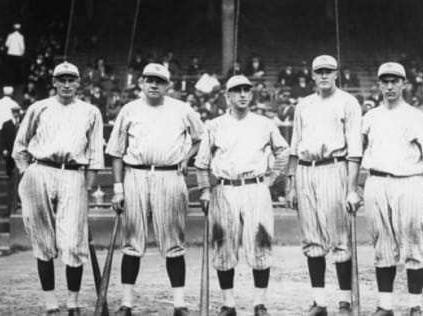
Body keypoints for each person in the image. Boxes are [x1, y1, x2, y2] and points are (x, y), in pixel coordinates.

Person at [105, 63, 205, 316]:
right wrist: (118, 189)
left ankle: (179, 304)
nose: (153, 85)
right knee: (132, 243)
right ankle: (126, 304)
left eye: (159, 81)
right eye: (149, 80)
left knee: (173, 242)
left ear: (167, 85)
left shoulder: (181, 109)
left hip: (170, 176)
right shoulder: (129, 110)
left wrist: (186, 158)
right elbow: (116, 151)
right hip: (135, 175)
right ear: (141, 82)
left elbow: (202, 137)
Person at [12, 61, 105, 316]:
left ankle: (73, 302)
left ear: (78, 83)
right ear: (53, 82)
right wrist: (27, 173)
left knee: (74, 241)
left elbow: (96, 154)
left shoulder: (90, 112)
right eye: (61, 80)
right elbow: (20, 146)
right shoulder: (38, 107)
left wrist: (87, 186)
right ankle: (50, 301)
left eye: (71, 80)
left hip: (73, 173)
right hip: (40, 169)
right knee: (42, 238)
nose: (66, 85)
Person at [361, 62, 423, 316]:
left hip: (409, 183)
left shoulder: (416, 117)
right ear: (378, 84)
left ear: (404, 84)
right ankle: (385, 306)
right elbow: (357, 154)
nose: (389, 86)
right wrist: (354, 187)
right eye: (385, 81)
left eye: (395, 81)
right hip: (376, 183)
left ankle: (414, 306)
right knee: (382, 246)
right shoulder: (369, 117)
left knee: (414, 244)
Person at [195, 74, 290, 316]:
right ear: (227, 96)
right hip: (224, 190)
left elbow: (283, 150)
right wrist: (205, 189)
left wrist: (271, 178)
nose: (243, 94)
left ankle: (260, 303)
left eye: (247, 90)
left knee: (260, 244)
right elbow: (202, 162)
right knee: (224, 247)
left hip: (255, 188)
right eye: (237, 91)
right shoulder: (214, 124)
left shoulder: (264, 123)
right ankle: (229, 304)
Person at [286, 55, 363, 316]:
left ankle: (344, 300)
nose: (324, 76)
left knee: (340, 237)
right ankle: (319, 302)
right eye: (319, 71)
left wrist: (352, 188)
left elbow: (355, 150)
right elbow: (295, 147)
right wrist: (291, 184)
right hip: (306, 171)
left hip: (334, 167)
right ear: (312, 75)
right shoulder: (303, 105)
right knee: (312, 238)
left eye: (329, 71)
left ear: (337, 73)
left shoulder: (348, 102)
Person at [0, 104, 21, 176]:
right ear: (12, 113)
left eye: (17, 112)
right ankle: (9, 185)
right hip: (10, 150)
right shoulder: (6, 124)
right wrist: (4, 148)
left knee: (20, 169)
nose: (15, 114)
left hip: (20, 151)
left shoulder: (22, 123)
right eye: (14, 112)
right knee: (9, 170)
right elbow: (3, 138)